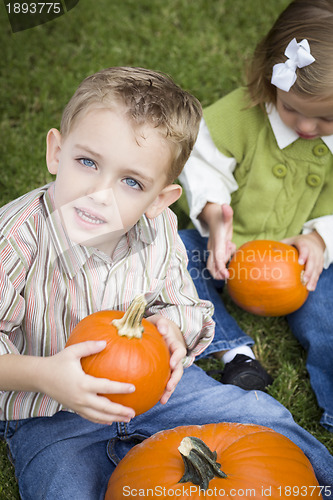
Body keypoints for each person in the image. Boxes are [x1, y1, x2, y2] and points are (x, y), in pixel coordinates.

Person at [0, 66, 332, 500]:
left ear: (159, 199)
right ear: (55, 151)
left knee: (261, 417)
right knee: (64, 485)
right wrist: (46, 376)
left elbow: (186, 305)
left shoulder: (159, 231)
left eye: (131, 181)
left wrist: (174, 329)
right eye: (87, 162)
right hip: (50, 411)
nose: (99, 193)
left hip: (161, 391)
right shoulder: (16, 240)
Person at [178, 0, 333, 432]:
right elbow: (201, 163)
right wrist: (214, 217)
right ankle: (235, 354)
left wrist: (322, 238)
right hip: (226, 248)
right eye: (291, 110)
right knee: (171, 253)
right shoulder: (240, 115)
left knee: (331, 320)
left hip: (306, 262)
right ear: (270, 77)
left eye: (326, 118)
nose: (305, 126)